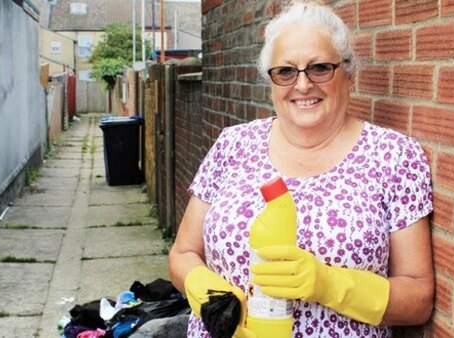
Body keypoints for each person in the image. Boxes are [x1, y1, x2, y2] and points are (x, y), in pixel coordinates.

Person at [168, 0, 434, 337]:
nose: (303, 85)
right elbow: (183, 252)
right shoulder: (233, 145)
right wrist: (209, 295)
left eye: (320, 67)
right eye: (286, 71)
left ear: (349, 73)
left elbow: (418, 298)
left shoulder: (395, 157)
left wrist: (329, 284)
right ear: (271, 81)